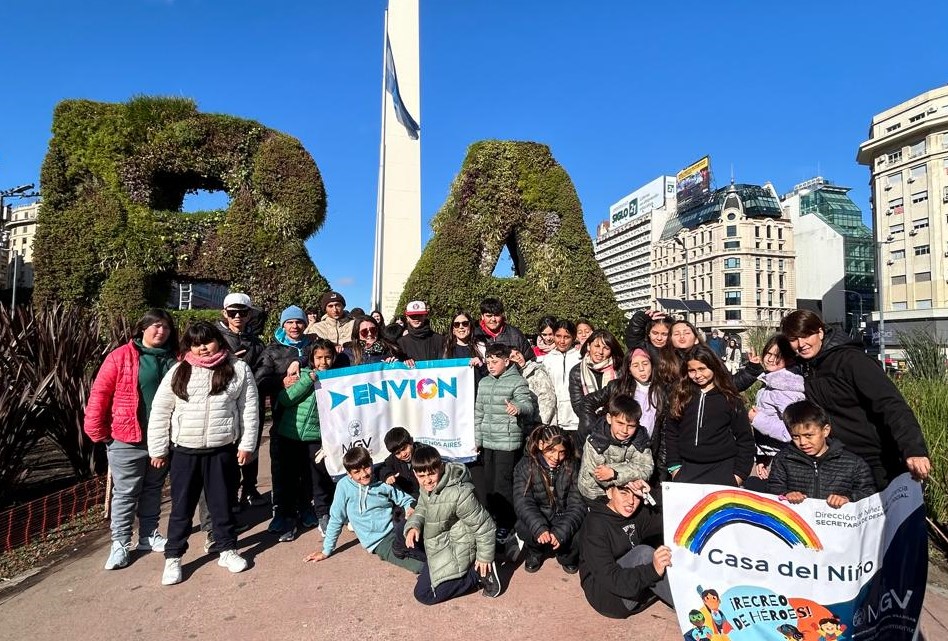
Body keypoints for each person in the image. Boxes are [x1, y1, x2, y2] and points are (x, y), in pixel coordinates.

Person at [147, 321, 259, 585]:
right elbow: (161, 411)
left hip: (222, 450)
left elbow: (249, 409)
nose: (203, 348)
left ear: (218, 340)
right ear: (189, 346)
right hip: (185, 451)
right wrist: (158, 449)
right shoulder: (179, 370)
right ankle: (174, 557)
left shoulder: (238, 368)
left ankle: (226, 549)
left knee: (222, 504)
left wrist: (247, 445)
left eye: (207, 341)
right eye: (196, 344)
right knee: (181, 507)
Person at [780, 309, 930, 489]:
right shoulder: (805, 368)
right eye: (794, 339)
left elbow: (891, 404)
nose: (801, 344)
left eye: (806, 336)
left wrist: (914, 450)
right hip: (840, 462)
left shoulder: (852, 360)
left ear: (820, 332)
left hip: (879, 460)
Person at [84, 308, 179, 570]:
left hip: (161, 438)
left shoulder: (175, 358)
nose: (161, 331)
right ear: (143, 328)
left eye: (166, 327)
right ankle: (120, 542)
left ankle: (148, 535)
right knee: (126, 493)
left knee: (153, 488)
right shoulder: (121, 356)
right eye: (156, 326)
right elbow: (100, 393)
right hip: (127, 437)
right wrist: (98, 431)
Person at [405, 445, 501, 603]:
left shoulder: (459, 493)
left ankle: (477, 574)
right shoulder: (426, 487)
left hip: (459, 545)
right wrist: (414, 525)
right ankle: (439, 572)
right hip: (439, 540)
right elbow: (422, 506)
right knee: (401, 535)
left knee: (424, 594)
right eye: (421, 476)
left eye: (431, 474)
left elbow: (485, 527)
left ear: (441, 467)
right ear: (415, 474)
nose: (427, 480)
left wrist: (485, 557)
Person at [303, 447, 423, 572]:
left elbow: (405, 499)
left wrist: (409, 508)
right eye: (357, 472)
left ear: (371, 463)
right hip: (380, 541)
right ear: (349, 474)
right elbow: (336, 519)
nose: (364, 474)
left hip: (397, 528)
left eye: (366, 467)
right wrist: (326, 550)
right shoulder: (344, 486)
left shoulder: (382, 480)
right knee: (420, 566)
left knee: (428, 548)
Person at [271, 338, 339, 541]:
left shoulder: (336, 379)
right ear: (312, 358)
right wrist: (307, 380)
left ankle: (320, 513)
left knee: (317, 478)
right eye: (319, 357)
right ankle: (288, 518)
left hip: (315, 438)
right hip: (289, 435)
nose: (323, 362)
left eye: (328, 357)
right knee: (289, 478)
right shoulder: (302, 374)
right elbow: (285, 399)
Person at [256, 305, 314, 534]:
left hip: (310, 420)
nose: (295, 326)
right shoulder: (272, 351)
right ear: (283, 325)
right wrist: (281, 381)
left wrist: (300, 359)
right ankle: (283, 514)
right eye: (290, 322)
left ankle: (306, 508)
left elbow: (328, 357)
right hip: (282, 419)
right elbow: (259, 381)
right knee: (282, 470)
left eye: (299, 322)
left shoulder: (312, 345)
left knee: (307, 468)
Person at [578, 479, 673, 618]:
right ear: (609, 492)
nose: (631, 501)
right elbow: (611, 578)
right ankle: (692, 607)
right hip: (607, 597)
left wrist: (652, 494)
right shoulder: (594, 526)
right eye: (624, 493)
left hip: (630, 583)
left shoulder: (636, 514)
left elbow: (673, 519)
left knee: (667, 548)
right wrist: (652, 571)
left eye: (636, 495)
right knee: (644, 554)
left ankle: (692, 596)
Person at [665, 345, 755, 486]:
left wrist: (739, 475)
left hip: (723, 470)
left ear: (713, 367)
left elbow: (745, 439)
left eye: (702, 369)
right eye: (692, 370)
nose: (698, 375)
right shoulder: (681, 396)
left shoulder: (729, 398)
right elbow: (671, 433)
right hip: (687, 470)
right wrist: (675, 467)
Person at [474, 343, 536, 541]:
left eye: (495, 362)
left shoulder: (518, 382)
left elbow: (528, 406)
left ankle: (507, 523)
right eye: (488, 362)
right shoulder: (484, 382)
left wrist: (517, 408)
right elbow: (479, 412)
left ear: (507, 361)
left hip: (507, 442)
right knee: (489, 483)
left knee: (503, 484)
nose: (491, 365)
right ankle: (494, 518)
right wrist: (477, 439)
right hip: (488, 441)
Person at [767, 400, 877, 507]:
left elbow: (869, 493)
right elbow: (773, 488)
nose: (803, 442)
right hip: (797, 519)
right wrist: (786, 494)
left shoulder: (853, 463)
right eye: (795, 437)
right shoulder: (783, 459)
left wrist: (848, 498)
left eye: (808, 435)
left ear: (825, 430)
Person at [512, 425, 586, 574]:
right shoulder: (526, 466)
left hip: (562, 516)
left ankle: (566, 555)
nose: (556, 457)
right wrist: (539, 527)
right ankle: (536, 551)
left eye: (561, 452)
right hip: (539, 515)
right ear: (541, 445)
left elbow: (577, 504)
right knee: (524, 526)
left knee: (581, 529)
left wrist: (561, 532)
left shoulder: (572, 466)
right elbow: (523, 502)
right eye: (551, 450)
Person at [216, 293, 267, 509]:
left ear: (249, 315)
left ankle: (250, 488)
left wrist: (254, 381)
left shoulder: (256, 341)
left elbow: (265, 367)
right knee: (228, 448)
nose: (237, 316)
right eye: (232, 312)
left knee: (251, 445)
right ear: (224, 313)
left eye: (242, 312)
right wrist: (228, 361)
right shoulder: (215, 338)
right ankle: (230, 495)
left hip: (252, 400)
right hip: (224, 402)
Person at [579, 394, 653, 502]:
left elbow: (646, 469)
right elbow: (600, 476)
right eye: (620, 423)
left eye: (631, 426)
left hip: (630, 494)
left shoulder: (641, 439)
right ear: (609, 418)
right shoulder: (595, 441)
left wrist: (614, 473)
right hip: (596, 494)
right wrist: (631, 468)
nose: (624, 430)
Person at [749, 335, 803, 466]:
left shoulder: (785, 387)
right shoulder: (772, 381)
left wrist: (757, 419)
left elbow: (793, 431)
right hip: (774, 455)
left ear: (789, 359)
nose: (771, 359)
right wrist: (762, 456)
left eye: (778, 356)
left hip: (786, 459)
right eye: (768, 353)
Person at [569, 329, 624, 443]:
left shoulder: (620, 370)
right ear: (589, 346)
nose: (600, 352)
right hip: (589, 428)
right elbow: (579, 406)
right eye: (597, 346)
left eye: (606, 348)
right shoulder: (577, 371)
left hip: (617, 426)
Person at [543, 320, 581, 444]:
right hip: (555, 418)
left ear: (573, 337)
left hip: (576, 418)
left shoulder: (580, 358)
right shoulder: (547, 360)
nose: (562, 341)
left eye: (566, 337)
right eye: (558, 336)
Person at [472, 297, 534, 364]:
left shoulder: (515, 334)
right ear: (482, 316)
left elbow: (530, 359)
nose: (493, 319)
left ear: (502, 315)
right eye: (489, 316)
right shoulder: (474, 335)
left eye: (496, 315)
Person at [510, 347, 557, 427]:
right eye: (513, 357)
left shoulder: (535, 372)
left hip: (541, 424)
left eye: (518, 353)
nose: (518, 357)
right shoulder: (514, 377)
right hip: (526, 425)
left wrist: (541, 422)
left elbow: (547, 397)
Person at [343, 315, 410, 365]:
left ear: (378, 330)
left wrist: (397, 363)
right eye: (364, 332)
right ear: (357, 334)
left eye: (373, 330)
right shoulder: (348, 353)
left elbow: (404, 368)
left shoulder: (391, 349)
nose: (370, 334)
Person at [379, 427, 420, 501]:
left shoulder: (425, 454)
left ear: (411, 441)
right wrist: (387, 475)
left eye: (404, 448)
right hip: (404, 499)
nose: (403, 454)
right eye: (398, 453)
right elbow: (382, 468)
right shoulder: (393, 459)